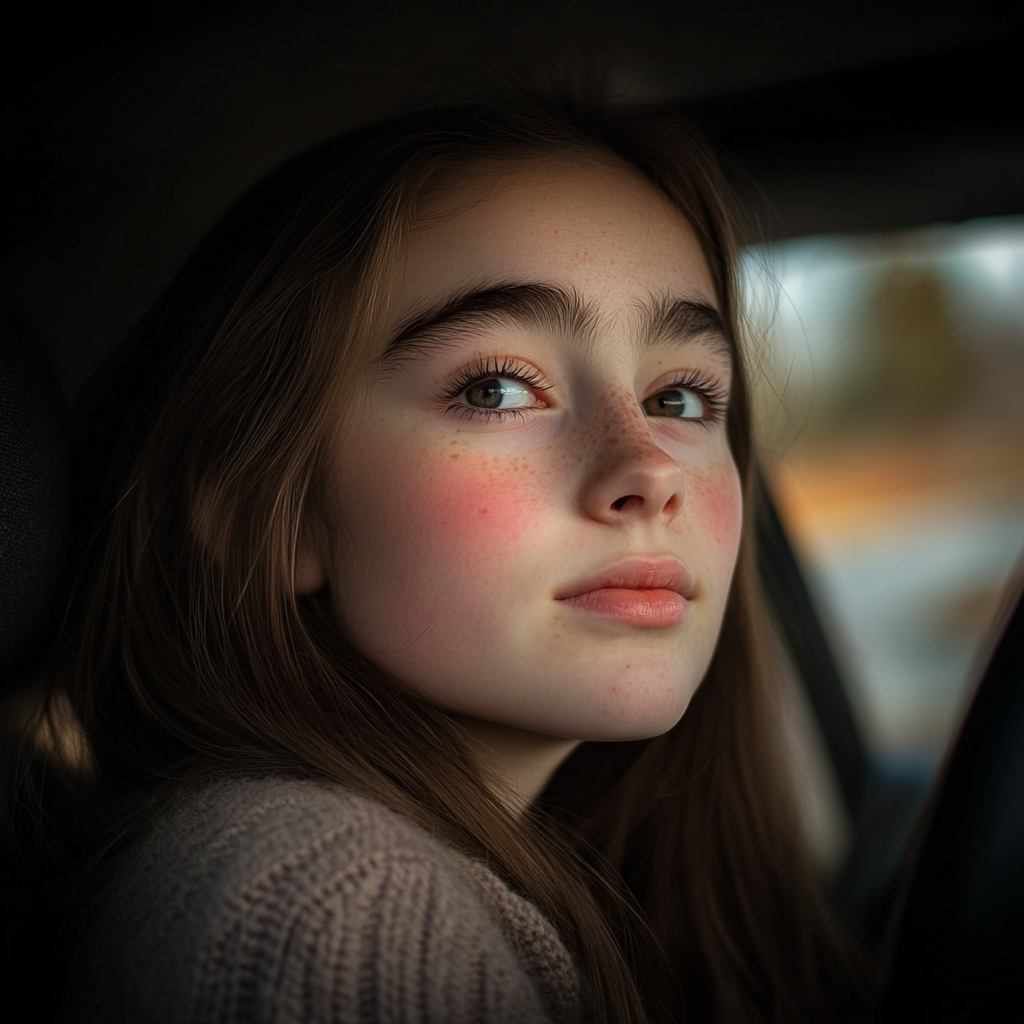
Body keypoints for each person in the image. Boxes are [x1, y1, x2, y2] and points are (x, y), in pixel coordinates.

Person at [16, 93, 871, 1023]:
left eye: (681, 399)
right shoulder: (341, 918)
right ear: (268, 510)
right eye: (498, 388)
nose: (649, 473)